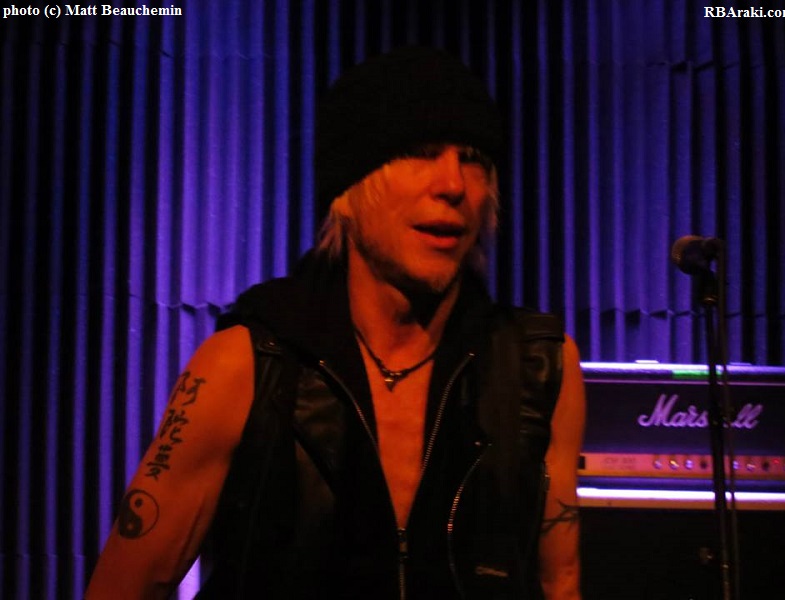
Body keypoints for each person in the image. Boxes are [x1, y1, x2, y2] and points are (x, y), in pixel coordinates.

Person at [86, 46, 585, 599]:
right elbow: (122, 587)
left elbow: (559, 583)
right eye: (419, 152)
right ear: (347, 191)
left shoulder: (538, 367)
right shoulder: (250, 364)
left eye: (473, 159)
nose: (454, 184)